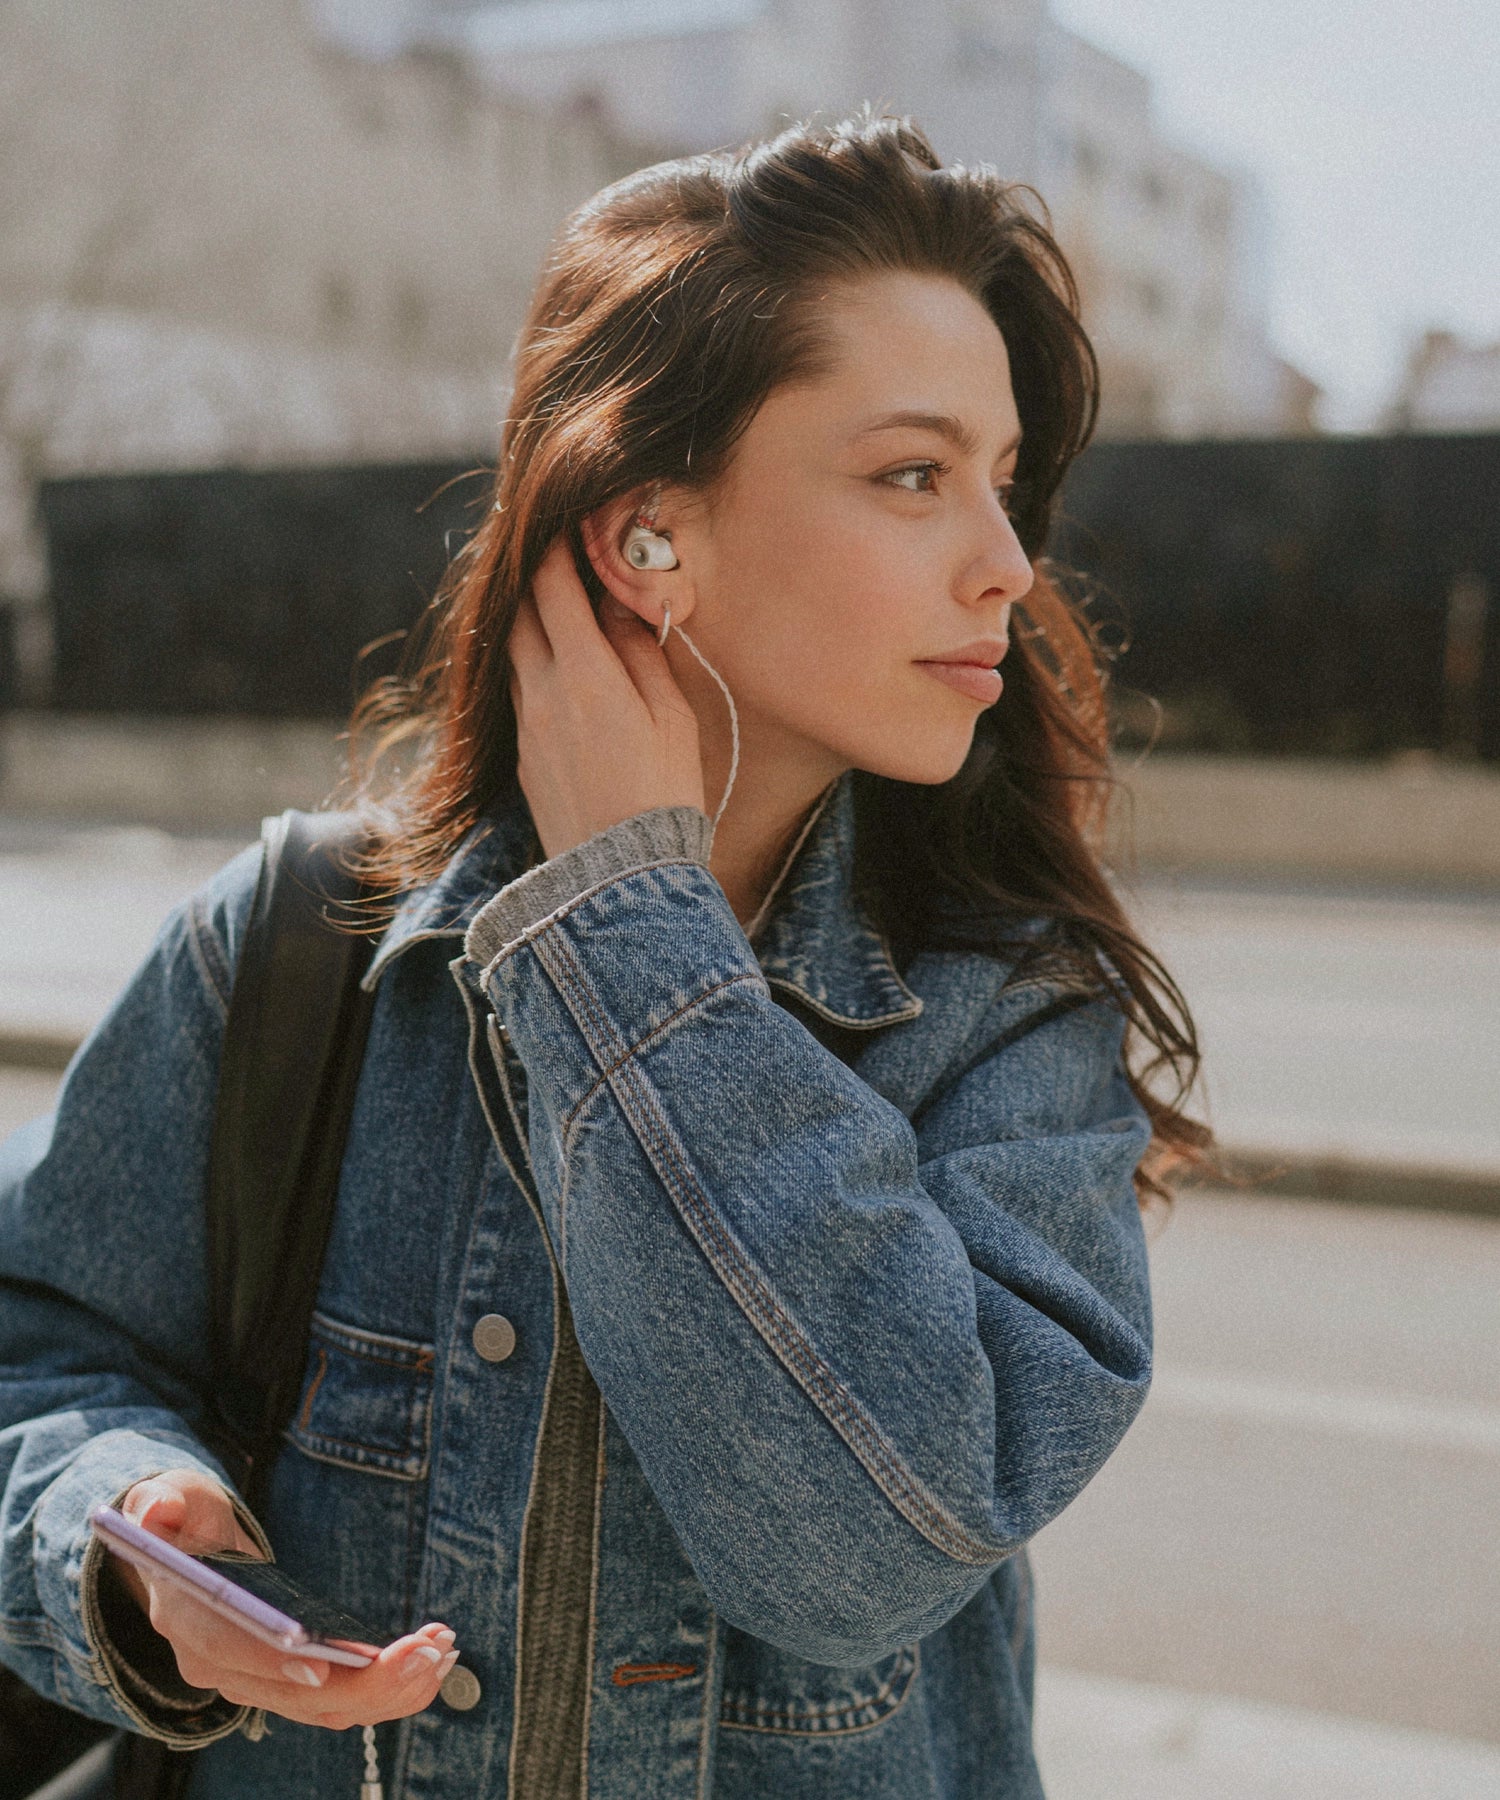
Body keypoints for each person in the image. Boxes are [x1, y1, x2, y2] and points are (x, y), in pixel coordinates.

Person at [0, 109, 1209, 1798]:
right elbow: (35, 1351)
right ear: (652, 530)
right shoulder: (296, 949)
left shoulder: (1008, 1020)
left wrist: (628, 929)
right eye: (914, 473)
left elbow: (865, 1547)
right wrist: (124, 1523)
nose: (1006, 563)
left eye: (1005, 484)